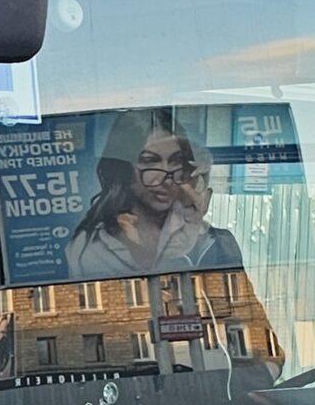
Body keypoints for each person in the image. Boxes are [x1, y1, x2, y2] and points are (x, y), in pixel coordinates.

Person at [64, 108, 245, 280]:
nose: (166, 177)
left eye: (175, 161)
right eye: (150, 161)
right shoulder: (90, 249)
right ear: (123, 169)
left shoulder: (218, 243)